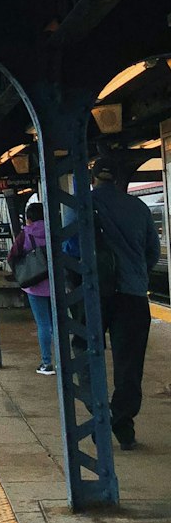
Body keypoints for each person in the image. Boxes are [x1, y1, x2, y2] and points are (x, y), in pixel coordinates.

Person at [92, 159, 161, 451]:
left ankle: (96, 418)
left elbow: (65, 248)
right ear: (120, 180)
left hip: (94, 293)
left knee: (85, 358)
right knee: (130, 366)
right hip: (132, 296)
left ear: (93, 178)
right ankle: (122, 421)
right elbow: (152, 253)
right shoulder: (139, 208)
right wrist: (135, 274)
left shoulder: (82, 205)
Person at [7, 201, 54, 375]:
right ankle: (64, 361)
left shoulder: (25, 234)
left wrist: (19, 274)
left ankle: (46, 363)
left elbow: (11, 256)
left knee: (43, 324)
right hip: (56, 283)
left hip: (34, 285)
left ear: (28, 219)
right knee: (57, 324)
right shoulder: (54, 230)